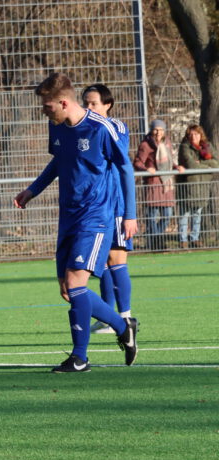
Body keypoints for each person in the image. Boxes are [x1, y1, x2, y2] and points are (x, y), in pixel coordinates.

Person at [14, 73, 138, 373]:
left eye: (47, 106)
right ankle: (123, 327)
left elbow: (125, 168)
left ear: (63, 103)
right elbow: (59, 161)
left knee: (75, 283)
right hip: (67, 216)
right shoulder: (56, 127)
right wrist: (32, 190)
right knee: (69, 290)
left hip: (96, 216)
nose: (43, 111)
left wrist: (130, 214)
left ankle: (80, 357)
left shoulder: (101, 128)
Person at [81, 84, 135, 332]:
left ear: (107, 105)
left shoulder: (116, 127)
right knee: (101, 263)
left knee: (116, 259)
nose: (88, 108)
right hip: (94, 206)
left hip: (115, 204)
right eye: (85, 103)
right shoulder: (82, 129)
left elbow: (121, 163)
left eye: (93, 103)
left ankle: (125, 318)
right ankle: (106, 317)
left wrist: (129, 214)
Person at [133, 119, 183, 251]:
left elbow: (170, 161)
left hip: (166, 183)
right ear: (151, 130)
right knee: (152, 216)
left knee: (167, 214)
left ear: (164, 131)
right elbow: (137, 162)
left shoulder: (167, 143)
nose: (158, 132)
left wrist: (177, 167)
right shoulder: (145, 145)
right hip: (153, 183)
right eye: (156, 129)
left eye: (161, 129)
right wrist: (146, 169)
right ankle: (156, 242)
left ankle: (156, 239)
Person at [176, 124, 219, 248]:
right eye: (191, 134)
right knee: (184, 214)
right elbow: (191, 165)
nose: (193, 137)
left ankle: (195, 238)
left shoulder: (207, 146)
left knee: (197, 214)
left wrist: (201, 163)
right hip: (187, 186)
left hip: (202, 186)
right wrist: (207, 167)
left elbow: (216, 164)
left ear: (201, 135)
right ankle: (183, 239)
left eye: (196, 134)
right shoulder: (185, 147)